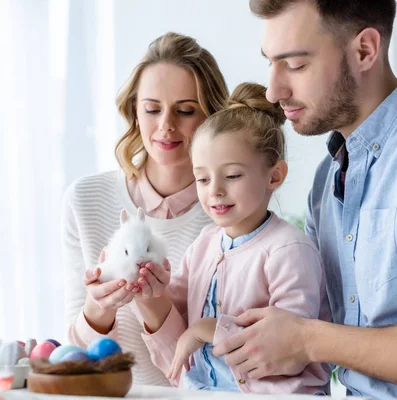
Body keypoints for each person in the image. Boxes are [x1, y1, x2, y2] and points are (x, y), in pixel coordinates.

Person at [212, 1, 397, 399]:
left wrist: (310, 340)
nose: (274, 91)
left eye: (294, 65)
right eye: (270, 64)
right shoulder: (326, 180)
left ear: (365, 50)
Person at [133, 82, 331, 394]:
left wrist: (208, 329)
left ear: (274, 175)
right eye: (202, 178)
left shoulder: (289, 251)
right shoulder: (204, 245)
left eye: (233, 175)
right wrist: (148, 287)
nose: (215, 191)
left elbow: (290, 349)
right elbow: (175, 316)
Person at [62, 32, 229, 385]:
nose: (166, 125)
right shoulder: (85, 199)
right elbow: (72, 358)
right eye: (152, 109)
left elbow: (215, 373)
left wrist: (155, 304)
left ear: (212, 116)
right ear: (134, 110)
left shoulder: (227, 215)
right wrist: (99, 307)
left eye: (185, 110)